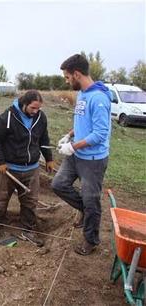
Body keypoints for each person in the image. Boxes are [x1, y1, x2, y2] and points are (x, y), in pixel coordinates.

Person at [51, 54, 111, 256]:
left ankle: (91, 240)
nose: (67, 82)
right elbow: (82, 123)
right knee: (58, 185)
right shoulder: (82, 95)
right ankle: (84, 209)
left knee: (91, 199)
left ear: (76, 74)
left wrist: (74, 146)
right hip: (76, 155)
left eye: (68, 77)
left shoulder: (99, 98)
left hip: (92, 160)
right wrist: (68, 136)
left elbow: (100, 133)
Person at [0, 90, 54, 247]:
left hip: (31, 169)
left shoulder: (40, 117)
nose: (35, 111)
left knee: (30, 202)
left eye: (38, 108)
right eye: (32, 108)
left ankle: (28, 230)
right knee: (0, 200)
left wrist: (49, 158)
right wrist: (0, 161)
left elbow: (44, 139)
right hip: (9, 168)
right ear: (24, 104)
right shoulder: (8, 117)